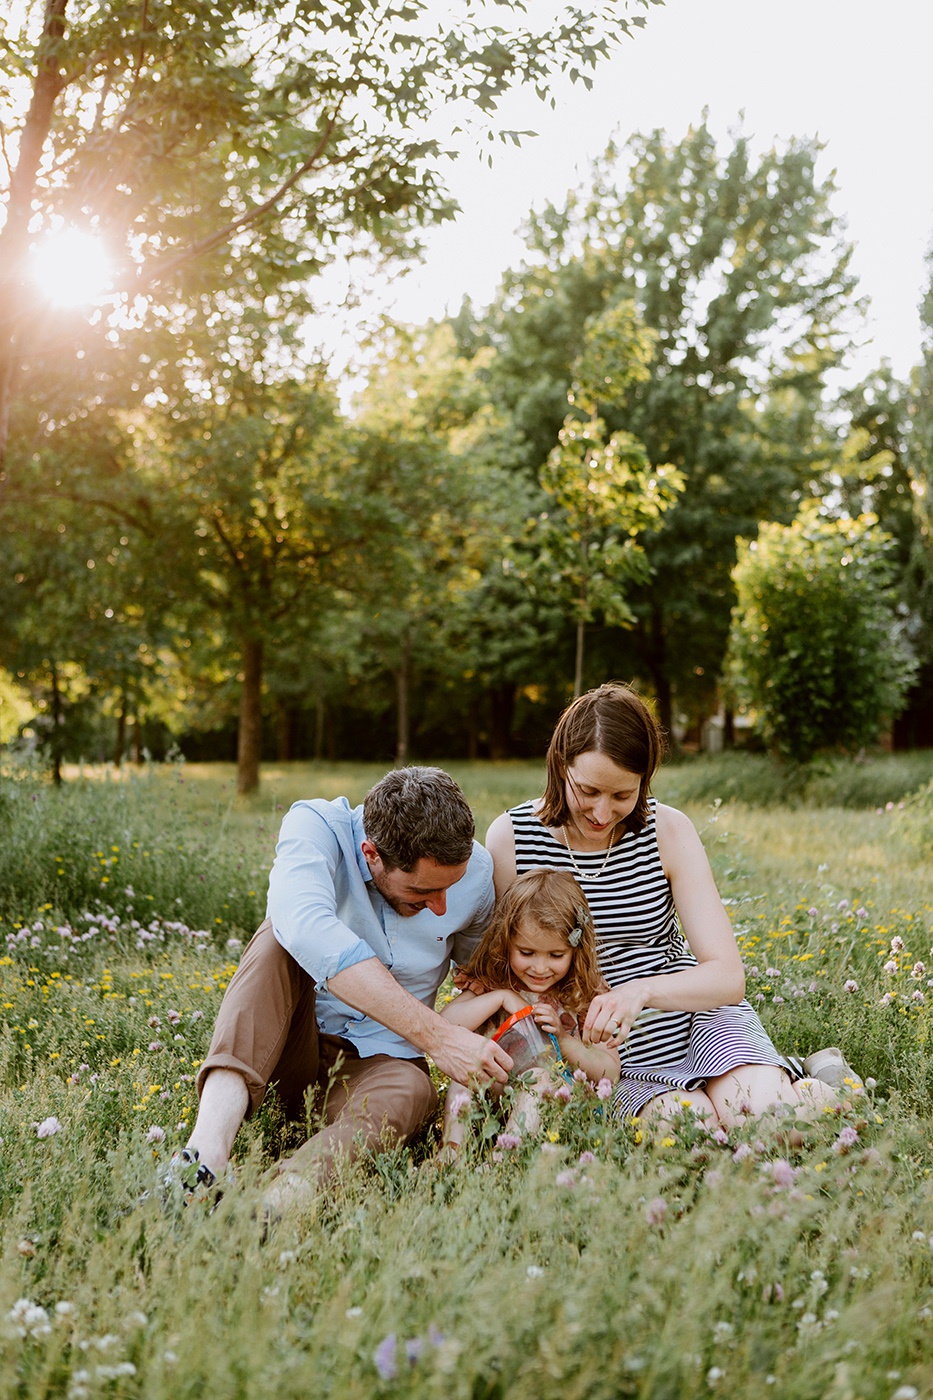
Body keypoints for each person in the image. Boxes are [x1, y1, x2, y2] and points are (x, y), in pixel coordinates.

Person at [485, 682, 845, 1131]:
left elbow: (728, 976)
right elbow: (503, 964)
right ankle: (807, 1085)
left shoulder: (667, 831)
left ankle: (816, 1085)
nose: (600, 813)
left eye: (622, 795)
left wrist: (641, 992)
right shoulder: (512, 838)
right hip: (607, 1054)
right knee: (691, 1136)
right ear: (561, 766)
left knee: (769, 1125)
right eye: (589, 790)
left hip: (697, 1018)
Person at [174, 766, 512, 1212]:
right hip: (290, 1049)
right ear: (371, 854)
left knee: (414, 1090)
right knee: (281, 934)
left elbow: (477, 976)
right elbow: (307, 927)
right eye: (423, 891)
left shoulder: (475, 872)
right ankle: (203, 1159)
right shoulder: (316, 827)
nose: (441, 906)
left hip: (381, 1069)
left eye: (450, 888)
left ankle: (276, 1204)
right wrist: (438, 1038)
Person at [439, 869, 619, 1149]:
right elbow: (446, 1024)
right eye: (526, 952)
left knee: (539, 1077)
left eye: (556, 955)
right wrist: (500, 997)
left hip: (552, 1100)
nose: (539, 968)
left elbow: (609, 1071)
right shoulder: (494, 980)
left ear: (575, 949)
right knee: (466, 1068)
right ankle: (451, 1151)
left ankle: (505, 1157)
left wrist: (562, 1038)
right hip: (495, 1092)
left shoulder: (582, 993)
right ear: (506, 941)